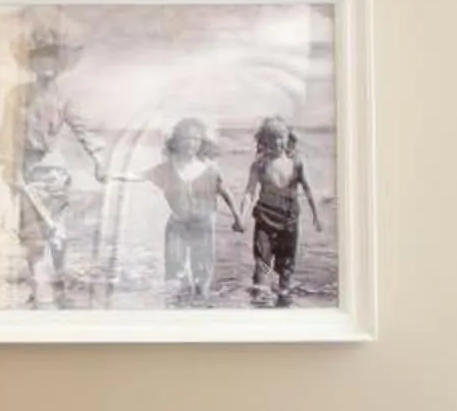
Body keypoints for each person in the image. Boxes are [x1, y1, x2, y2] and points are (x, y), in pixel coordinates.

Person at [0, 22, 103, 307]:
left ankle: (60, 277)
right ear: (31, 63)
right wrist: (10, 166)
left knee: (57, 230)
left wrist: (99, 161)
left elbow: (84, 130)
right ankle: (35, 285)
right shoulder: (16, 95)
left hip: (53, 169)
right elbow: (7, 132)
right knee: (31, 231)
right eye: (39, 58)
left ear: (59, 64)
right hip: (24, 166)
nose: (45, 64)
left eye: (50, 58)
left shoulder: (65, 98)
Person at [138, 116, 241, 305]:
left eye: (195, 139)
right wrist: (110, 176)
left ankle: (200, 311)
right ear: (176, 142)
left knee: (201, 276)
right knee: (174, 275)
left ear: (202, 142)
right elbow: (139, 175)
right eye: (186, 138)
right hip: (177, 226)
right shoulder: (166, 169)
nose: (190, 143)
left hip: (203, 226)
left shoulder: (210, 170)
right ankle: (174, 312)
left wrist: (237, 217)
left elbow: (226, 194)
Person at [237, 118, 325, 307]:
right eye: (272, 138)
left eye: (281, 137)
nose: (277, 142)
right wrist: (242, 217)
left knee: (286, 265)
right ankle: (260, 298)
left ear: (288, 138)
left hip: (289, 220)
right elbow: (249, 192)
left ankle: (284, 298)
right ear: (264, 141)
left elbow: (309, 190)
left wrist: (317, 216)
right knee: (263, 262)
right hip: (264, 219)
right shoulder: (259, 165)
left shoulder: (297, 164)